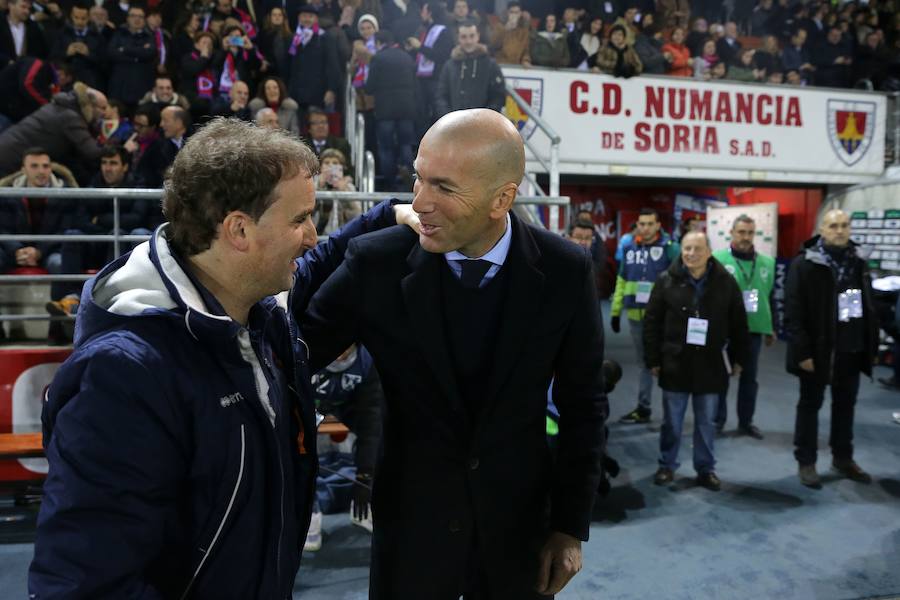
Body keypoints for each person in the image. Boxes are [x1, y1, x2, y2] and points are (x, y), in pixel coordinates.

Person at [28, 118, 419, 597]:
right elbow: (86, 585)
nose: (313, 235)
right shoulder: (125, 376)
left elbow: (321, 259)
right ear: (238, 229)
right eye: (300, 219)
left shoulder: (254, 308)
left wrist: (387, 216)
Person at [301, 108, 607, 599]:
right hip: (409, 530)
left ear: (501, 198)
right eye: (418, 178)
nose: (419, 202)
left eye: (443, 187)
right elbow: (294, 349)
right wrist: (354, 234)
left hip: (518, 530)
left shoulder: (566, 270)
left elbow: (584, 407)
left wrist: (570, 527)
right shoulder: (375, 261)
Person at [644, 231, 749, 491]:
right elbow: (652, 323)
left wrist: (738, 358)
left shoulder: (726, 282)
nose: (691, 254)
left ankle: (705, 468)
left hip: (711, 365)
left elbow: (739, 323)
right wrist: (653, 359)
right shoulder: (665, 280)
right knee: (672, 422)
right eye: (687, 248)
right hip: (675, 363)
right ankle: (666, 465)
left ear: (709, 252)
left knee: (706, 423)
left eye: (697, 249)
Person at [785, 209, 877, 488]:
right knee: (810, 406)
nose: (840, 230)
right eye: (833, 226)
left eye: (844, 225)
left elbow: (867, 305)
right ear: (821, 230)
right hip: (818, 351)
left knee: (846, 406)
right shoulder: (804, 264)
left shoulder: (859, 262)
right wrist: (803, 353)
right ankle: (807, 462)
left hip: (851, 348)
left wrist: (868, 345)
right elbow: (793, 312)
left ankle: (843, 457)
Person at [305, 343, 385, 550]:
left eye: (346, 349)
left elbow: (371, 421)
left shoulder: (366, 362)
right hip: (306, 403)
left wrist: (366, 475)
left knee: (382, 435)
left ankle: (364, 508)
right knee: (295, 448)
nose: (340, 354)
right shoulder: (304, 350)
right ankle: (307, 513)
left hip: (348, 405)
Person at [610, 208, 679, 424]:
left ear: (658, 225)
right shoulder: (629, 247)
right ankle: (643, 407)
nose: (645, 228)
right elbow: (622, 280)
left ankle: (672, 412)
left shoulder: (670, 249)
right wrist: (615, 311)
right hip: (635, 316)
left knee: (668, 363)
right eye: (642, 224)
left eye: (650, 224)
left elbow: (679, 282)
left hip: (663, 317)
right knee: (645, 364)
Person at [713, 215, 776, 438]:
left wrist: (771, 327)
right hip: (725, 330)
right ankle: (717, 421)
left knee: (750, 379)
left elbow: (770, 297)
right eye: (741, 232)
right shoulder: (717, 260)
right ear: (732, 232)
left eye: (750, 233)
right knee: (721, 378)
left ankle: (746, 422)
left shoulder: (767, 263)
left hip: (754, 330)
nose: (746, 237)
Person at [0, 82, 106, 181]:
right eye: (103, 108)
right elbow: (92, 151)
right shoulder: (71, 118)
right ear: (91, 106)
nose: (105, 113)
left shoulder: (60, 107)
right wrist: (115, 146)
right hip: (10, 160)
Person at [365, 29, 416, 191]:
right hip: (406, 108)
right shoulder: (407, 57)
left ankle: (390, 184)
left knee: (386, 147)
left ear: (379, 42)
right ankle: (409, 180)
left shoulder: (378, 58)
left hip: (385, 110)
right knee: (406, 144)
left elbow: (369, 87)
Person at [435, 19, 505, 117]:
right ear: (458, 38)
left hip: (482, 125)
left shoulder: (490, 65)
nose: (468, 41)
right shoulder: (449, 66)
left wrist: (485, 118)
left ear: (478, 36)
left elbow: (498, 96)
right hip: (454, 125)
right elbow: (441, 96)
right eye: (464, 37)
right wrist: (448, 117)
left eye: (472, 36)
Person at [286, 4, 341, 113]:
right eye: (304, 16)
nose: (307, 19)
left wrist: (331, 89)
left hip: (317, 94)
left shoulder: (325, 38)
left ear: (316, 19)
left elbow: (332, 65)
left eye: (310, 16)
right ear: (299, 18)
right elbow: (288, 65)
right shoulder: (293, 38)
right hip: (296, 94)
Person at [107, 5, 157, 108]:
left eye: (140, 16)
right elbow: (112, 54)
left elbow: (150, 54)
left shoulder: (149, 36)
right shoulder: (118, 34)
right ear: (127, 18)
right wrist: (137, 56)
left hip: (142, 86)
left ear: (144, 19)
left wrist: (124, 49)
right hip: (119, 86)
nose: (137, 19)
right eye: (133, 16)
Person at [1, 0, 49, 66]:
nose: (27, 11)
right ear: (11, 5)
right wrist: (7, 61)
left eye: (29, 8)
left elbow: (42, 54)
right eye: (23, 7)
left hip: (25, 73)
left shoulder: (34, 28)